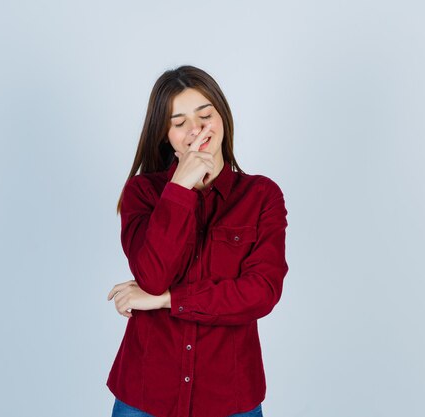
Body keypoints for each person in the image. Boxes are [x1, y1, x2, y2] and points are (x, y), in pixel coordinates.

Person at [106, 65, 288, 417]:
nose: (196, 129)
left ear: (222, 118)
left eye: (205, 114)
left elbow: (261, 292)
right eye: (179, 123)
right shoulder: (143, 194)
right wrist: (179, 189)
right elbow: (152, 276)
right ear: (166, 136)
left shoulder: (262, 196)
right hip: (146, 394)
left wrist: (166, 300)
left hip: (229, 397)